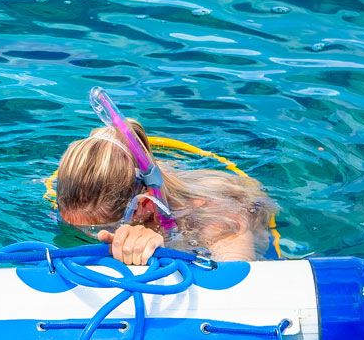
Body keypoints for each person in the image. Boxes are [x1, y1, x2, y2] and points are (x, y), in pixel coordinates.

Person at [52, 90, 275, 266]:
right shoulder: (81, 196)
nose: (96, 236)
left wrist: (165, 251)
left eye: (98, 229)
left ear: (146, 205)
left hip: (228, 202)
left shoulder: (221, 221)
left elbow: (232, 287)